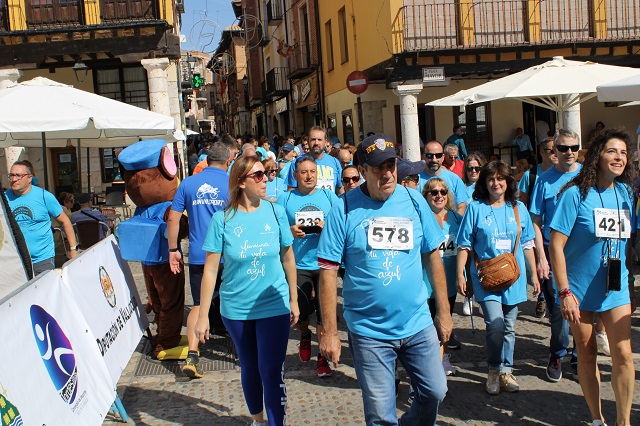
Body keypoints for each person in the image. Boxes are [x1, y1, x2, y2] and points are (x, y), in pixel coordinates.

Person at [318, 134, 451, 425]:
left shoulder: (414, 200)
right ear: (363, 170)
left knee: (435, 391)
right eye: (378, 167)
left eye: (391, 165)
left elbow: (432, 256)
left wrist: (444, 312)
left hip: (417, 323)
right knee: (380, 414)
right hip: (369, 331)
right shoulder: (343, 208)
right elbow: (328, 273)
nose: (387, 173)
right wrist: (330, 332)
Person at [195, 155, 299, 426]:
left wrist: (294, 299)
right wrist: (203, 315)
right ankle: (257, 421)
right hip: (236, 308)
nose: (266, 179)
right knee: (250, 366)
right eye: (259, 175)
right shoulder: (222, 219)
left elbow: (288, 258)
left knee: (271, 369)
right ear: (241, 182)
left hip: (274, 304)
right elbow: (210, 271)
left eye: (267, 173)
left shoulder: (276, 212)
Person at [549, 128, 636, 426]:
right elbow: (556, 246)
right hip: (578, 289)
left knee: (623, 353)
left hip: (615, 287)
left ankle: (623, 422)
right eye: (612, 151)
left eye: (623, 153)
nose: (619, 157)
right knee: (586, 354)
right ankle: (597, 419)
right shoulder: (575, 194)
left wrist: (629, 284)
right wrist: (564, 292)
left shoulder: (625, 194)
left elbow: (626, 244)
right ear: (598, 155)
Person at [456, 160, 540, 395]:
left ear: (508, 182)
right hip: (486, 278)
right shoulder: (475, 208)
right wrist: (460, 274)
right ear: (484, 183)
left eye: (500, 178)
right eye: (491, 179)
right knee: (495, 324)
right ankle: (494, 369)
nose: (496, 183)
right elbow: (464, 245)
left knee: (510, 327)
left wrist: (534, 275)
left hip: (513, 278)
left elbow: (527, 244)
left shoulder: (518, 208)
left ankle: (507, 371)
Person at [168, 142, 232, 377]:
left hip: (199, 255)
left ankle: (192, 355)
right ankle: (245, 350)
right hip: (228, 254)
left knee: (198, 304)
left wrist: (173, 249)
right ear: (227, 161)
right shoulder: (232, 183)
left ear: (206, 160)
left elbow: (173, 219)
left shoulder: (187, 183)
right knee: (236, 302)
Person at [277, 156, 338, 377]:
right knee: (300, 312)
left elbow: (340, 225)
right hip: (297, 264)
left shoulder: (329, 197)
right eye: (304, 172)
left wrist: (327, 227)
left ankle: (322, 357)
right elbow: (274, 227)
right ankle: (304, 334)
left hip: (324, 264)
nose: (309, 176)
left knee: (323, 313)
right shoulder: (285, 199)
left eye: (312, 171)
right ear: (295, 175)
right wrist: (289, 231)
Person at [529, 129, 582, 383]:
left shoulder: (588, 176)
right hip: (553, 250)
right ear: (554, 151)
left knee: (584, 305)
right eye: (563, 148)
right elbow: (536, 220)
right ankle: (558, 353)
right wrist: (540, 256)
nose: (569, 152)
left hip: (581, 253)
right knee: (560, 307)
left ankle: (581, 353)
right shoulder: (544, 180)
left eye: (574, 148)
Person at [5, 160, 78, 275]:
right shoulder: (4, 199)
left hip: (42, 259)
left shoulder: (44, 196)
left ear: (29, 178)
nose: (14, 179)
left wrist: (73, 249)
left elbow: (65, 221)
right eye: (11, 175)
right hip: (16, 260)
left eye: (18, 175)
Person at [422, 178, 464, 375]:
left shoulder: (456, 218)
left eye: (443, 192)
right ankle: (429, 364)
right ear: (426, 196)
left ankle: (443, 357)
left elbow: (464, 248)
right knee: (428, 325)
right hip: (425, 282)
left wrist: (464, 275)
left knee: (446, 320)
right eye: (434, 192)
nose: (439, 196)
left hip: (449, 282)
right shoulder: (421, 218)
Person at [517, 137, 558, 318]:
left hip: (557, 230)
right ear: (542, 153)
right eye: (551, 150)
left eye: (557, 149)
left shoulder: (565, 173)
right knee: (541, 264)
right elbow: (522, 203)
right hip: (536, 228)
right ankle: (542, 296)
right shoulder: (532, 175)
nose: (555, 153)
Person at [460, 152, 486, 315]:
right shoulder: (461, 187)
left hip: (484, 233)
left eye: (477, 168)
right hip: (466, 234)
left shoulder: (487, 186)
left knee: (483, 267)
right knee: (468, 268)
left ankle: (483, 298)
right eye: (470, 168)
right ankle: (468, 296)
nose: (474, 171)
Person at [285, 126, 343, 195]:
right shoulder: (297, 163)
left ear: (325, 142)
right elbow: (291, 190)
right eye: (313, 139)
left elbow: (340, 190)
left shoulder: (335, 162)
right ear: (308, 141)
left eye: (319, 140)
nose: (316, 143)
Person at [418, 141, 470, 216]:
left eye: (438, 155)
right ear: (423, 157)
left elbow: (462, 206)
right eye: (429, 155)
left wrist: (454, 222)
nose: (434, 159)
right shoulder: (416, 180)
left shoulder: (454, 179)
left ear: (443, 157)